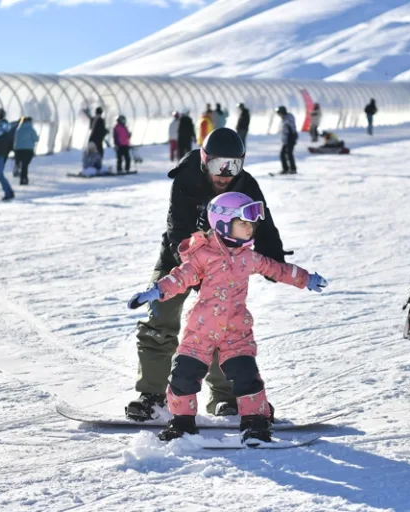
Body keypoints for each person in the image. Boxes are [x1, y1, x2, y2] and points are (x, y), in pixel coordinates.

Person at [128, 192, 327, 443]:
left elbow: (277, 269)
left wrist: (306, 278)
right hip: (200, 330)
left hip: (236, 331)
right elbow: (181, 277)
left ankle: (255, 424)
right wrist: (156, 291)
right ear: (222, 223)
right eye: (243, 223)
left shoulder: (248, 256)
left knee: (247, 377)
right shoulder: (202, 255)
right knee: (183, 376)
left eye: (251, 223)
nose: (250, 228)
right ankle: (182, 423)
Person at [125, 127, 290, 422]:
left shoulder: (245, 185)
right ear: (204, 160)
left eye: (234, 165)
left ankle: (225, 399)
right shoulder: (187, 179)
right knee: (159, 316)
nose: (225, 174)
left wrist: (274, 260)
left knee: (221, 326)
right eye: (218, 165)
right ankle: (152, 395)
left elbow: (263, 224)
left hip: (224, 264)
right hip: (180, 258)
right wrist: (192, 271)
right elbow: (177, 228)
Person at [13, 116, 39, 186]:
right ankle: (24, 179)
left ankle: (17, 166)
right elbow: (36, 139)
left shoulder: (18, 129)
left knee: (22, 164)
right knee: (25, 165)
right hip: (28, 150)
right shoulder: (31, 129)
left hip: (18, 150)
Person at [276, 106, 297, 175]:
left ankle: (293, 169)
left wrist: (290, 139)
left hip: (290, 138)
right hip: (286, 139)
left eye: (279, 113)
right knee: (282, 154)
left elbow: (291, 128)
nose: (279, 115)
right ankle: (286, 169)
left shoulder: (288, 118)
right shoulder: (284, 118)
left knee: (289, 154)